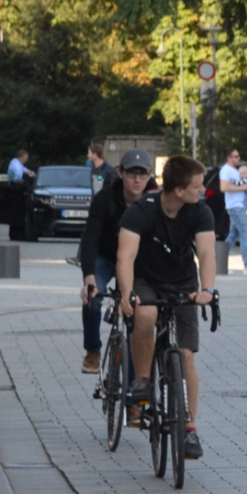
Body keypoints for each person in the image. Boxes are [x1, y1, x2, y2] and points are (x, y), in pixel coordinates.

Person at [118, 154, 218, 461]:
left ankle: (189, 430)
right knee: (145, 313)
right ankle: (144, 380)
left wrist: (208, 290)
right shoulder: (141, 211)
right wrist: (126, 294)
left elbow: (207, 252)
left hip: (183, 283)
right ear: (178, 190)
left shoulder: (199, 212)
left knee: (186, 356)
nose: (202, 190)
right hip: (146, 280)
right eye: (197, 186)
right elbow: (126, 257)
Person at [77, 150, 152, 371]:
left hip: (138, 261)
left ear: (149, 175)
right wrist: (89, 276)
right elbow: (90, 238)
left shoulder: (154, 198)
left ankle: (133, 396)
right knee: (93, 296)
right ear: (120, 173)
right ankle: (92, 350)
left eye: (142, 174)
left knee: (136, 311)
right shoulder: (105, 198)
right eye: (131, 173)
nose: (137, 180)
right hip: (107, 256)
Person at [217, 148, 247, 272]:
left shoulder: (235, 171)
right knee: (246, 233)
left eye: (239, 156)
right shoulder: (226, 170)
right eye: (236, 156)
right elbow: (224, 187)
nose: (238, 158)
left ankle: (220, 264)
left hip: (238, 206)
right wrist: (244, 187)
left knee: (233, 236)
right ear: (229, 158)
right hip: (235, 206)